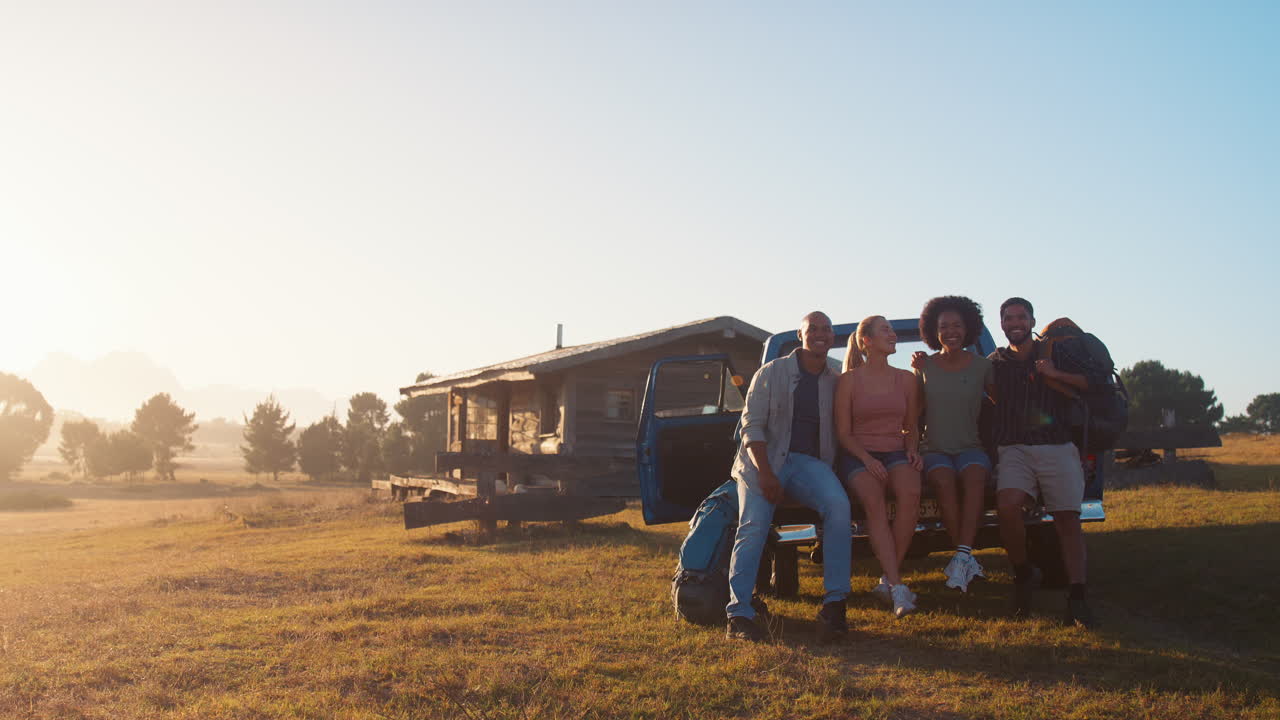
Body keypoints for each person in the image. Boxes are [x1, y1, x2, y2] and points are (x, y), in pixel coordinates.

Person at [725, 311, 853, 643]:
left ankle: (835, 605)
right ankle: (739, 613)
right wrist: (766, 475)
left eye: (827, 329)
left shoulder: (836, 377)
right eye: (814, 329)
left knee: (838, 506)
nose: (822, 334)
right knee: (753, 524)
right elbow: (750, 427)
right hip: (763, 460)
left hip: (809, 464)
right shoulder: (771, 373)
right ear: (801, 335)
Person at [989, 297, 1106, 627]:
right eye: (1009, 317)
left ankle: (1078, 597)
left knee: (1067, 520)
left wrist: (1055, 374)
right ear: (1001, 324)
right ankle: (1024, 574)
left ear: (1031, 321)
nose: (1015, 322)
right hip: (1014, 448)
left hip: (1057, 446)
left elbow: (1094, 384)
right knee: (1008, 506)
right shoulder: (994, 362)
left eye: (1021, 317)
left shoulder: (1054, 353)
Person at [835, 315, 923, 618]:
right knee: (874, 502)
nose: (893, 334)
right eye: (885, 330)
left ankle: (887, 578)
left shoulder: (907, 379)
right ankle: (899, 588)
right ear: (866, 341)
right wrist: (867, 459)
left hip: (896, 451)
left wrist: (912, 450)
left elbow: (911, 425)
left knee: (911, 494)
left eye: (893, 330)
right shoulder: (848, 380)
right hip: (859, 454)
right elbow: (843, 433)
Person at [910, 296, 995, 593]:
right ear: (934, 331)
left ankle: (960, 557)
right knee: (944, 483)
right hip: (934, 449)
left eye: (957, 325)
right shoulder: (923, 366)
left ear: (969, 327)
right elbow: (913, 413)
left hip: (971, 447)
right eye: (944, 326)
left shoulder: (984, 367)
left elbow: (1004, 405)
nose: (951, 331)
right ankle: (966, 559)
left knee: (974, 478)